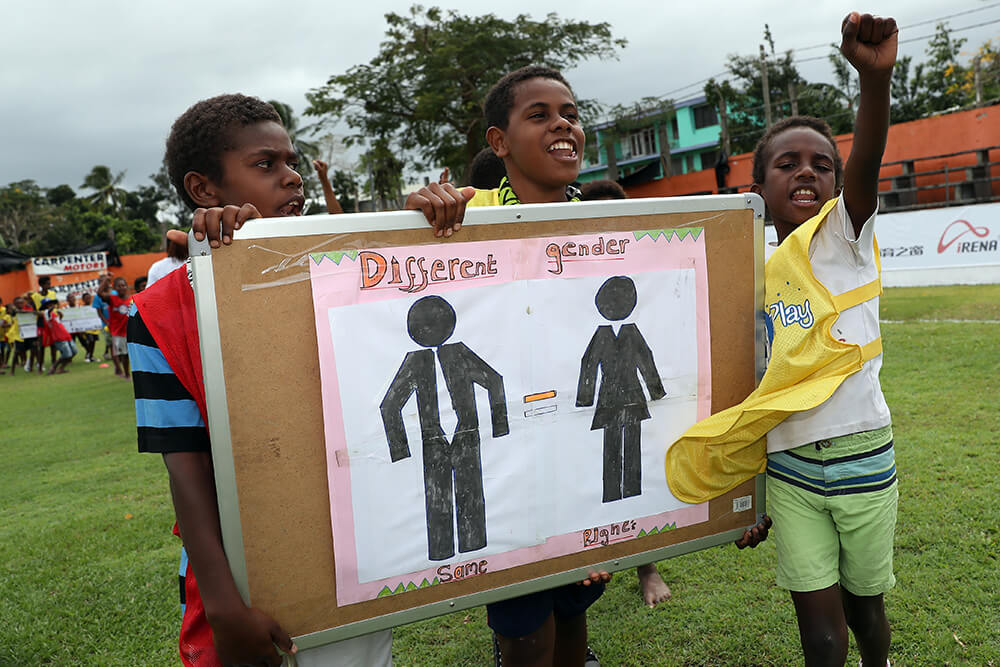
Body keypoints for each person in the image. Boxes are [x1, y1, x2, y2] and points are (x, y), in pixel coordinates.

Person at [667, 13, 898, 667]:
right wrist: (749, 491)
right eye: (787, 164)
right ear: (757, 188)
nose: (807, 172)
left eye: (821, 164)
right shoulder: (749, 276)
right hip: (792, 469)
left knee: (866, 610)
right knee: (822, 635)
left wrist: (873, 83)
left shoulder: (845, 238)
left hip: (863, 464)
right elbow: (746, 385)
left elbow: (868, 158)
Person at [131, 93, 391, 667]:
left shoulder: (339, 271)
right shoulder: (158, 311)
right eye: (265, 165)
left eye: (291, 161)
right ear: (204, 191)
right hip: (236, 573)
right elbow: (186, 465)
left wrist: (432, 214)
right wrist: (224, 607)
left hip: (344, 555)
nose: (292, 178)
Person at [578, 179, 674, 609]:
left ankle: (646, 566)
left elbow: (648, 359)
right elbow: (586, 365)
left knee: (635, 470)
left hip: (633, 405)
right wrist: (581, 402)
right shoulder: (566, 262)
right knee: (602, 474)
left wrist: (658, 392)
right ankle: (589, 550)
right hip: (599, 410)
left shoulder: (643, 266)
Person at [99, 276, 131, 378]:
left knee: (127, 354)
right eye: (119, 286)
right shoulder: (112, 299)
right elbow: (100, 293)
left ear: (127, 287)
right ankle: (125, 374)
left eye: (123, 285)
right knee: (123, 354)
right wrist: (105, 280)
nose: (121, 288)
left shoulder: (132, 299)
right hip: (118, 332)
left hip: (130, 331)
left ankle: (122, 371)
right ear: (115, 288)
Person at [39, 299, 76, 374]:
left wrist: (60, 316)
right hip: (58, 337)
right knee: (67, 354)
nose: (51, 305)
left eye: (52, 303)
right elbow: (48, 313)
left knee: (74, 351)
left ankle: (61, 368)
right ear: (46, 306)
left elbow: (57, 323)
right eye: (49, 304)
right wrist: (53, 307)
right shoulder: (46, 312)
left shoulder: (53, 313)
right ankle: (54, 368)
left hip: (65, 334)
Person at [79, 292, 100, 362]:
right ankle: (88, 355)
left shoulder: (93, 307)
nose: (88, 299)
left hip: (94, 329)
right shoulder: (81, 309)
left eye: (89, 298)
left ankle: (91, 356)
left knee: (93, 342)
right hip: (86, 329)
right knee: (90, 341)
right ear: (83, 299)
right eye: (86, 298)